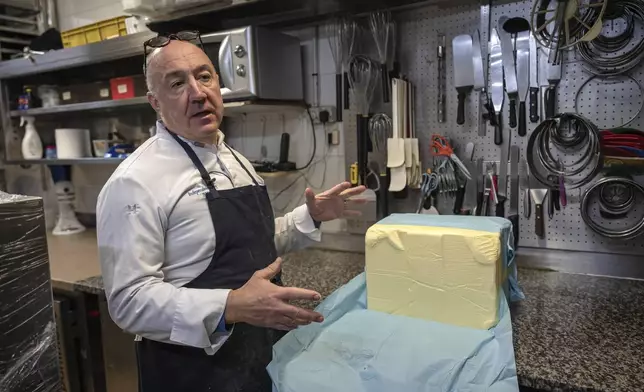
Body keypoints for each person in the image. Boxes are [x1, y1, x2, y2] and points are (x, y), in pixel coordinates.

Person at [96, 31, 366, 392]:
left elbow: (253, 246)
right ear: (155, 102)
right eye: (177, 83)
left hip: (257, 355)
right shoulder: (135, 183)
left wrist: (311, 216)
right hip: (193, 371)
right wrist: (230, 306)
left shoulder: (234, 159)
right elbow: (129, 301)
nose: (197, 92)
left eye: (204, 76)